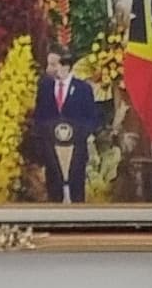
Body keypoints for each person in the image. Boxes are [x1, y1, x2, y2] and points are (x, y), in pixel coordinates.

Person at [24, 54, 104, 202]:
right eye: (48, 65)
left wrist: (80, 134)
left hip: (76, 152)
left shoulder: (83, 89)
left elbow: (92, 118)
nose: (49, 69)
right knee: (54, 194)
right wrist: (44, 136)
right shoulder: (44, 87)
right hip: (51, 153)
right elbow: (39, 117)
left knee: (76, 194)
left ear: (66, 66)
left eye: (53, 65)